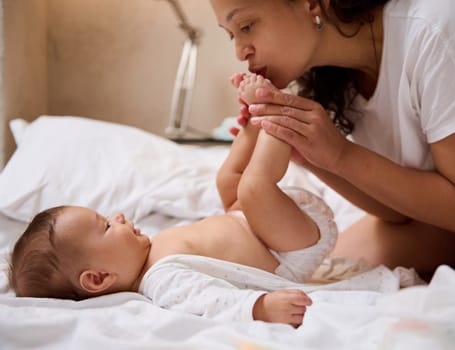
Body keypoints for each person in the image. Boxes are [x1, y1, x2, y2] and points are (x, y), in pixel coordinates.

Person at [209, 0, 455, 292]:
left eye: (247, 26)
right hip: (452, 214)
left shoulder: (440, 25)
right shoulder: (338, 76)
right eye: (229, 35)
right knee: (319, 279)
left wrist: (341, 154)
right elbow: (396, 211)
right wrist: (308, 152)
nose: (240, 51)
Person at [8, 74, 339, 327]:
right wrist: (260, 308)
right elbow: (211, 302)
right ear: (98, 278)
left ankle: (253, 122)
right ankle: (276, 115)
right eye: (107, 226)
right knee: (253, 188)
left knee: (228, 183)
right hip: (288, 249)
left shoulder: (152, 251)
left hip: (259, 225)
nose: (119, 216)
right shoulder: (162, 281)